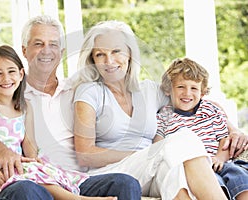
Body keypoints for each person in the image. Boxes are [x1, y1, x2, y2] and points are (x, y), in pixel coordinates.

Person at [0, 16, 141, 200]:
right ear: (24, 51)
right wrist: (0, 150)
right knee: (27, 191)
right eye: (38, 44)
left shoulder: (79, 89)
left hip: (68, 178)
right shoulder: (7, 92)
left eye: (53, 44)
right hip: (26, 183)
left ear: (62, 50)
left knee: (125, 183)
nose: (46, 51)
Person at [71, 20, 234, 199]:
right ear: (92, 60)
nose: (109, 61)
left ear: (130, 54)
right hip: (111, 172)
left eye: (116, 51)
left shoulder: (149, 90)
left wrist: (232, 129)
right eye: (100, 54)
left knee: (174, 173)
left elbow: (195, 101)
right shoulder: (89, 92)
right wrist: (146, 154)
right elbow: (85, 154)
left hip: (150, 169)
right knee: (184, 138)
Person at [153, 57, 248, 200]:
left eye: (194, 88)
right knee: (215, 183)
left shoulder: (210, 110)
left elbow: (224, 140)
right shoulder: (164, 116)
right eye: (180, 87)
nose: (187, 93)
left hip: (220, 162)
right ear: (168, 90)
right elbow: (157, 145)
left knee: (238, 175)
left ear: (202, 93)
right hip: (194, 171)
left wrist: (219, 159)